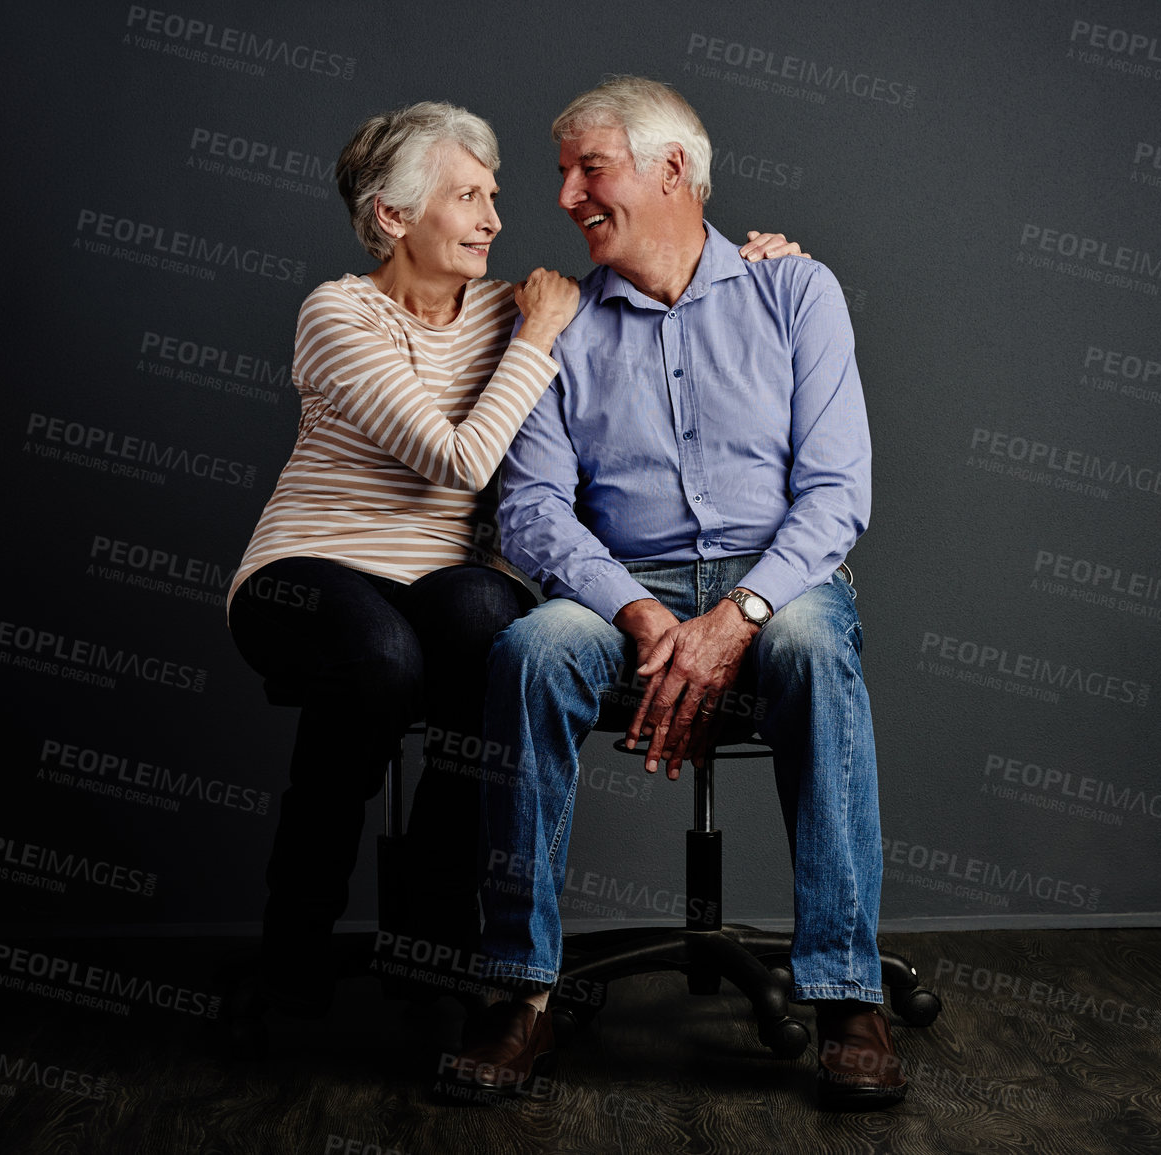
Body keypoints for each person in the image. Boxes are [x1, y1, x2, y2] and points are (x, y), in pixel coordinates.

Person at [225, 100, 803, 1023]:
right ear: (393, 217)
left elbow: (670, 298)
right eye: (467, 196)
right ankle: (293, 951)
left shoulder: (506, 308)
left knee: (497, 627)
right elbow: (456, 460)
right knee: (379, 661)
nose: (496, 216)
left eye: (493, 195)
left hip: (441, 578)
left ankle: (438, 927)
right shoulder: (339, 313)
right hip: (313, 568)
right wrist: (537, 336)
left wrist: (755, 263)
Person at [452, 77, 904, 1110]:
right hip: (624, 590)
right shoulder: (558, 323)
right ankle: (518, 993)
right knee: (530, 653)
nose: (564, 195)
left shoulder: (797, 292)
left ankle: (845, 993)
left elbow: (837, 497)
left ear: (671, 171)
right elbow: (531, 515)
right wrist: (645, 614)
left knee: (811, 647)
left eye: (587, 169)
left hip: (774, 579)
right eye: (562, 173)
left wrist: (736, 614)